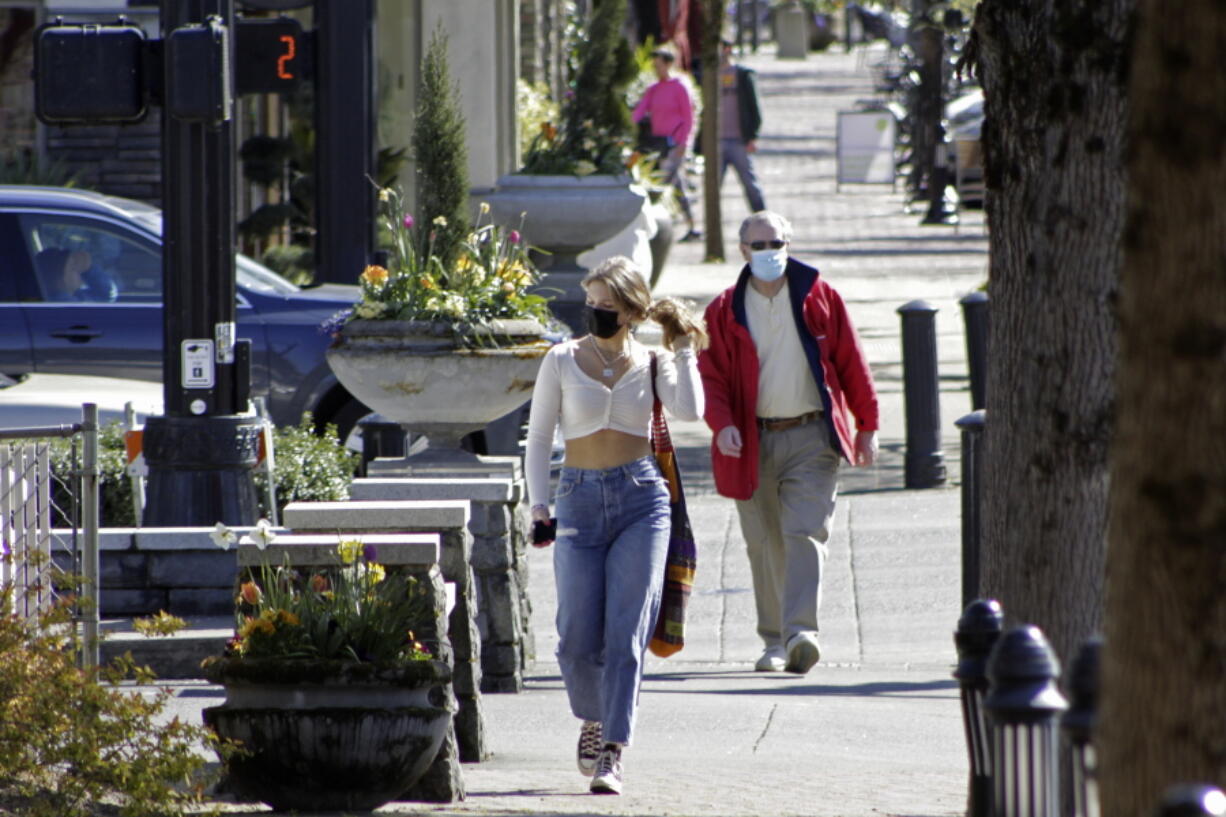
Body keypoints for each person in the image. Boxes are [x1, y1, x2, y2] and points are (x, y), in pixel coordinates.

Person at [524, 256, 706, 795]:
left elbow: (691, 411)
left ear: (631, 310)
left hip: (642, 500)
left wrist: (684, 350)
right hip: (577, 497)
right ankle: (594, 716)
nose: (596, 313)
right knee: (577, 637)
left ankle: (613, 750)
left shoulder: (652, 361)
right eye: (592, 304)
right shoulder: (560, 359)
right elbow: (538, 439)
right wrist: (539, 506)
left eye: (607, 306)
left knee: (627, 634)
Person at [697, 211, 878, 675]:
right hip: (751, 441)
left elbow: (851, 360)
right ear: (742, 251)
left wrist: (867, 425)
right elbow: (710, 377)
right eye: (758, 245)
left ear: (788, 244)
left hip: (812, 436)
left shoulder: (821, 296)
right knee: (764, 544)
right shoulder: (722, 310)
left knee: (805, 533)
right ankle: (774, 642)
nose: (768, 253)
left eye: (776, 243)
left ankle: (801, 633)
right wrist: (722, 425)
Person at [632, 45, 700, 242]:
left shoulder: (680, 87)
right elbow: (640, 111)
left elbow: (688, 117)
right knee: (677, 185)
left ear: (669, 64)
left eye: (659, 64)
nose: (656, 68)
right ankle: (692, 224)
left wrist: (684, 143)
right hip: (658, 143)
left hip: (674, 144)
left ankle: (656, 225)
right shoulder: (653, 89)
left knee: (662, 182)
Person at [717, 38, 767, 214]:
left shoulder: (743, 75)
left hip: (740, 140)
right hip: (717, 141)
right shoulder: (709, 76)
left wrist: (752, 136)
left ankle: (762, 219)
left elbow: (754, 107)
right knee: (713, 188)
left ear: (728, 49)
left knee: (750, 185)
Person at [35, 246, 118, 303]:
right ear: (58, 278)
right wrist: (89, 270)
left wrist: (88, 269)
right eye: (72, 268)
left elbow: (107, 295)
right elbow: (107, 296)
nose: (79, 270)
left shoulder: (76, 295)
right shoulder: (66, 304)